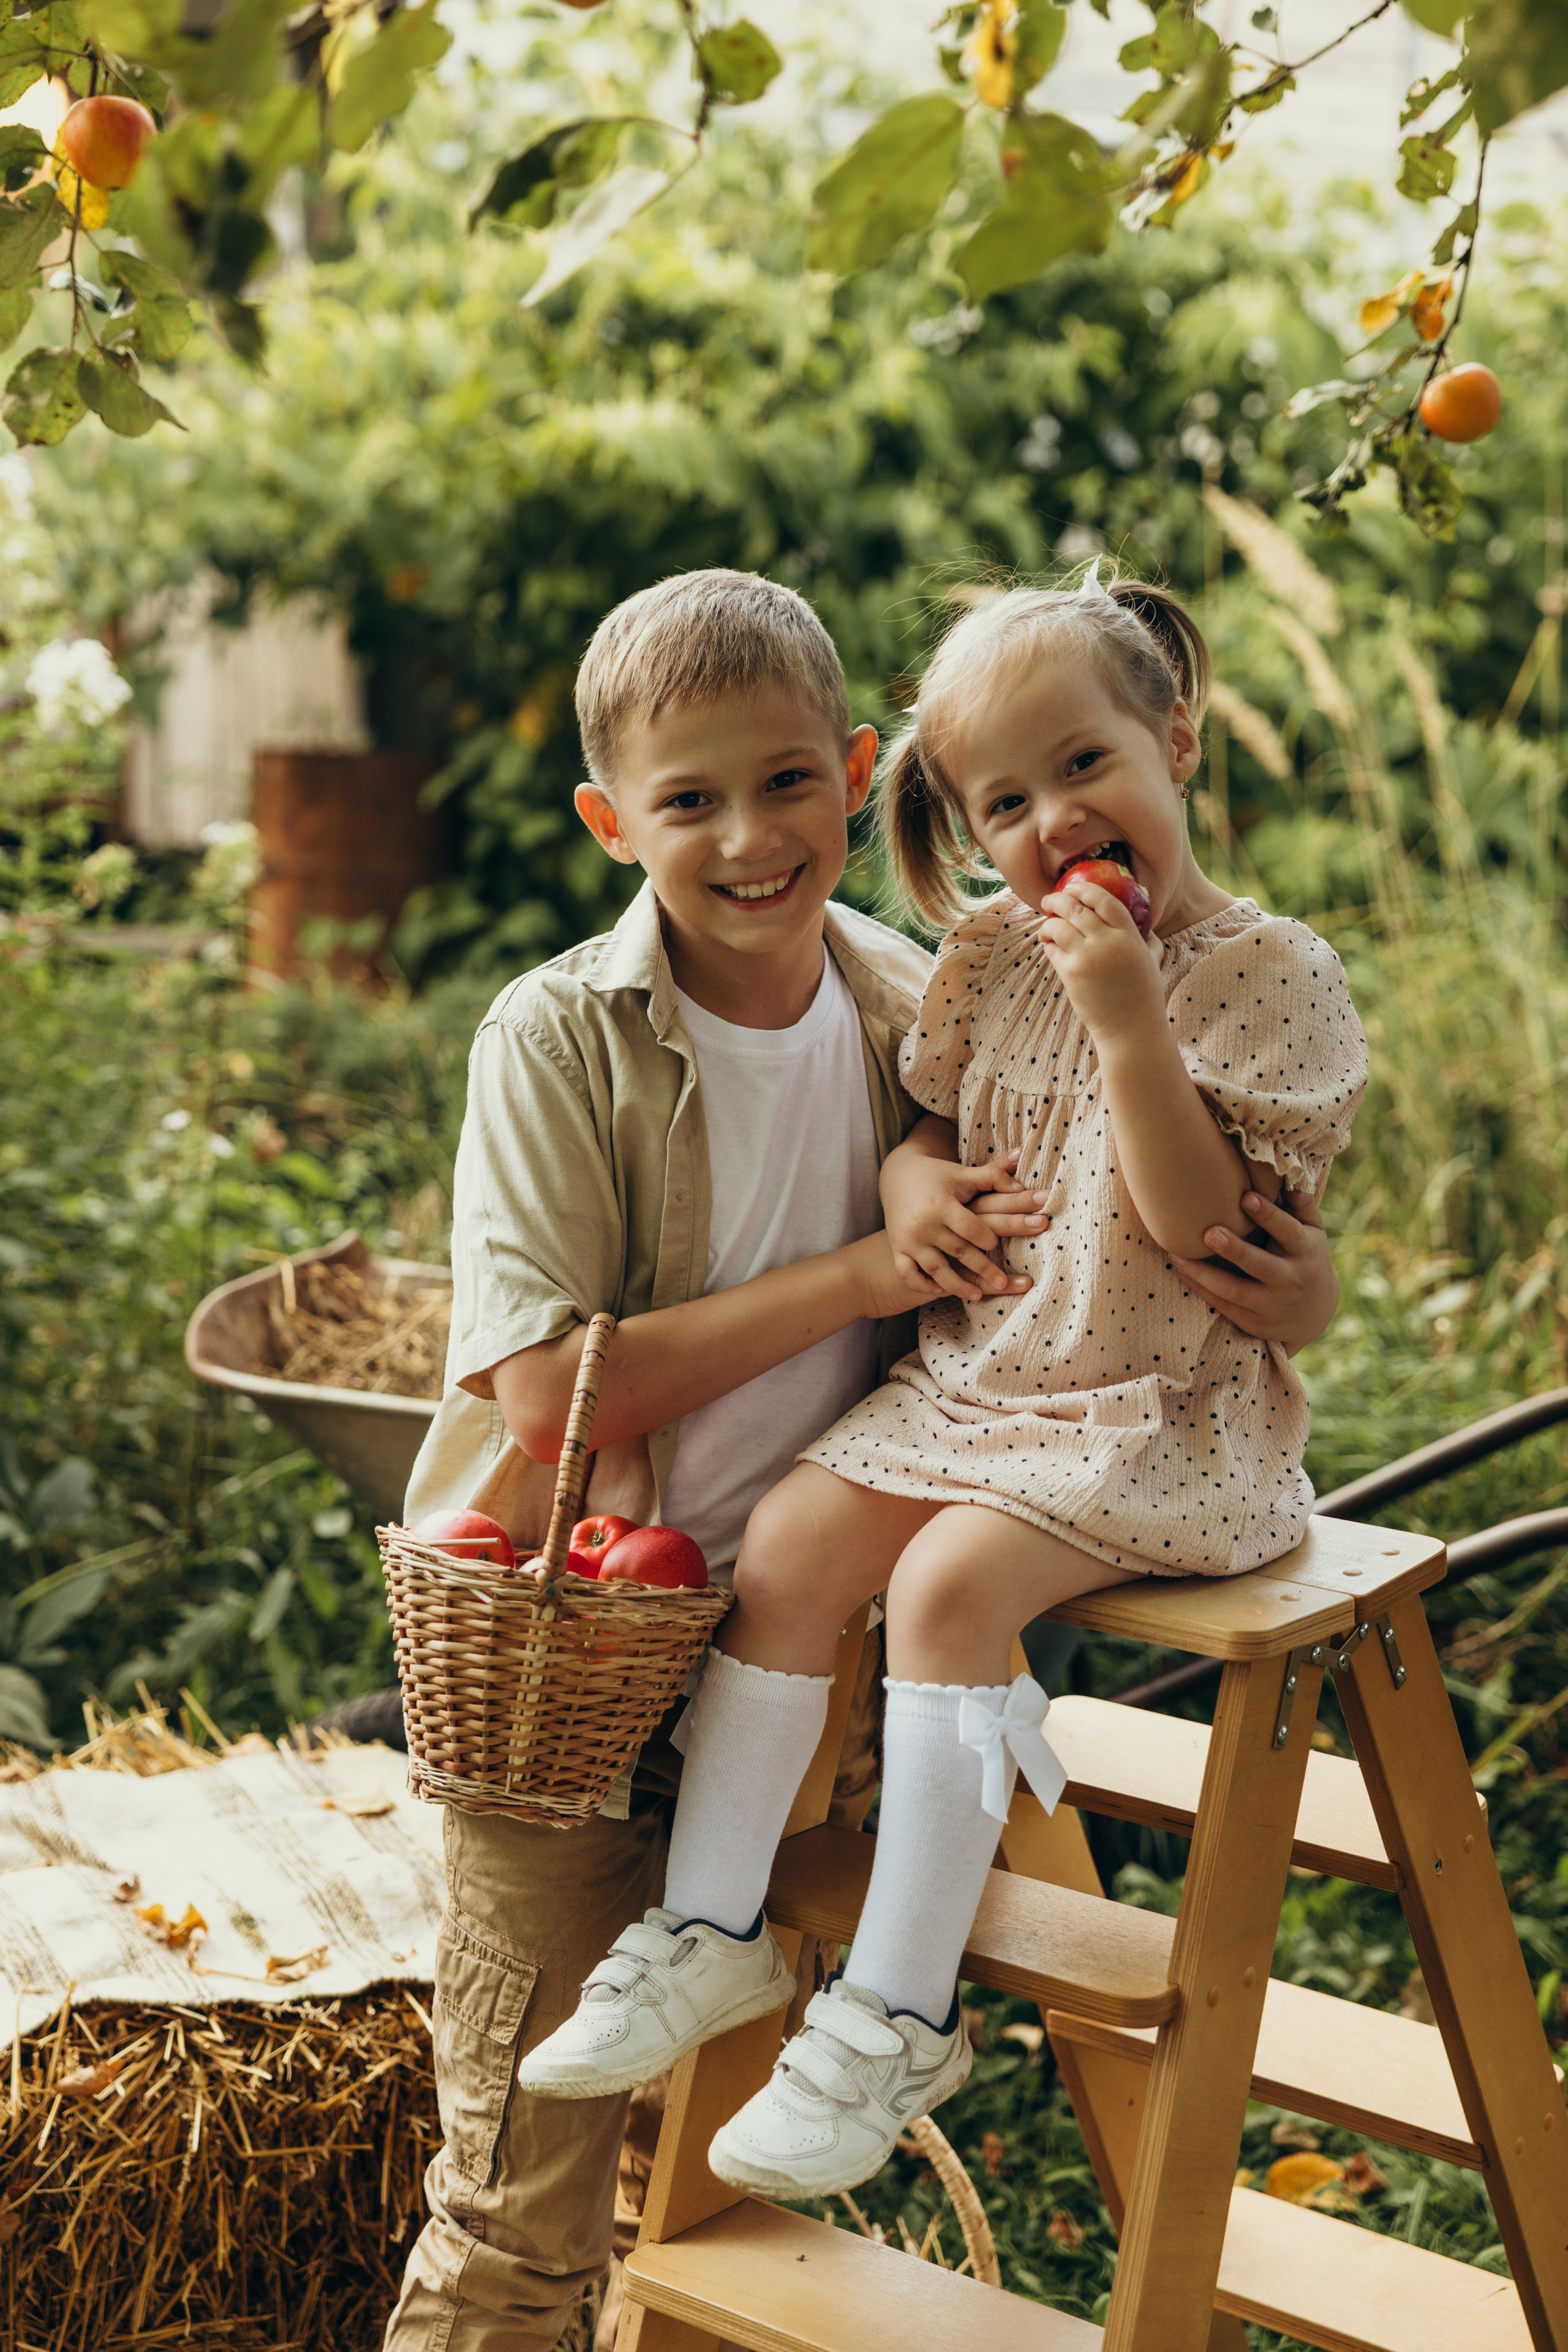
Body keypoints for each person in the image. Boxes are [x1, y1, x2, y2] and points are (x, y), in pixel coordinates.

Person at [385, 567, 1342, 2350]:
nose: (750, 838)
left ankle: (812, 1987)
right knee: (525, 2215)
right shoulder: (563, 1035)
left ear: (851, 772)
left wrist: (1299, 1289)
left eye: (787, 785)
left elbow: (1132, 1233)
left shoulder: (934, 987)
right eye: (689, 802)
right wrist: (880, 1247)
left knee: (724, 2222)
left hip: (807, 1660)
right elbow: (542, 1399)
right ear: (613, 823)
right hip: (588, 1665)